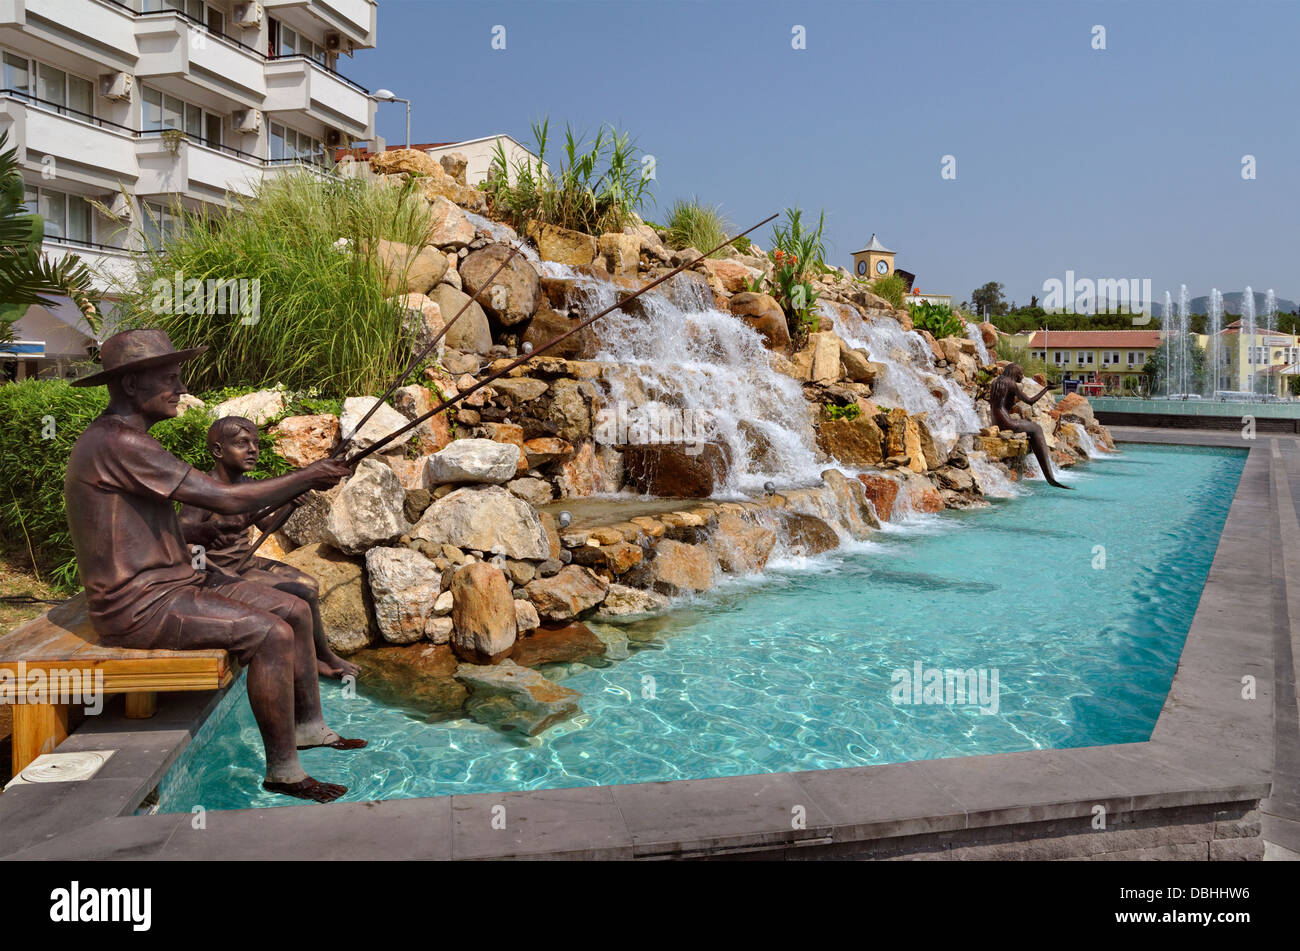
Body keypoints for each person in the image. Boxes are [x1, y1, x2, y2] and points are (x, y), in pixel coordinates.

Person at [64, 329, 364, 803]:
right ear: (131, 385)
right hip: (138, 606)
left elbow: (139, 524)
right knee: (271, 633)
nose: (181, 389)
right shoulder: (118, 443)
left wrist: (195, 535)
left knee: (295, 608)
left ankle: (308, 727)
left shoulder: (125, 440)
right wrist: (308, 473)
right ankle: (283, 772)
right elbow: (224, 497)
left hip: (178, 581)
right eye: (170, 378)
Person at [178, 415, 360, 680]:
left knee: (309, 585)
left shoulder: (249, 487)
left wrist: (289, 504)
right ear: (218, 451)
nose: (253, 450)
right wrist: (214, 571)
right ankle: (321, 658)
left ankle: (317, 654)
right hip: (220, 572)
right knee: (302, 593)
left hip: (246, 562)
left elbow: (268, 527)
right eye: (242, 443)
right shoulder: (204, 493)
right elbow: (183, 537)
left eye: (255, 443)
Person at [988, 362, 1072, 490]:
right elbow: (1030, 401)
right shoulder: (1011, 384)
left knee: (1029, 425)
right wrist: (1046, 389)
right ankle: (1050, 477)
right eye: (1020, 374)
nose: (1022, 376)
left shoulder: (997, 382)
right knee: (1036, 428)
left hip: (996, 420)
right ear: (1014, 373)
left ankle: (1048, 475)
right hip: (1005, 421)